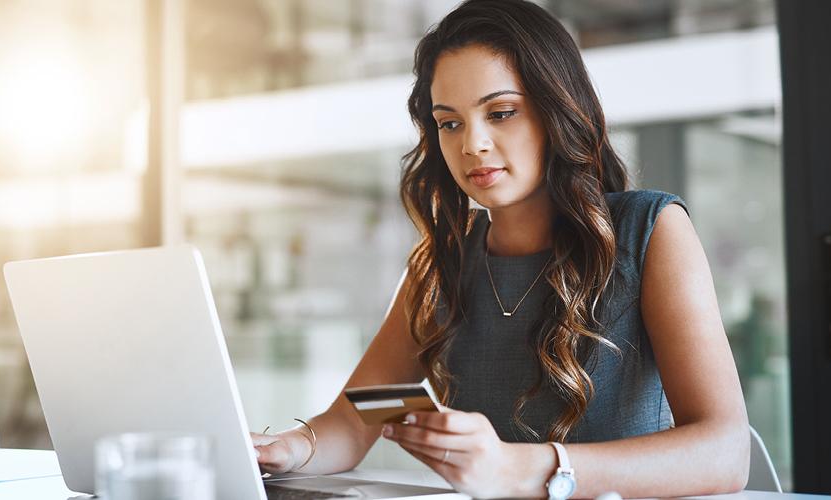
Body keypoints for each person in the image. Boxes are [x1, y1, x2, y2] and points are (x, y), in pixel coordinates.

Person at [250, 0, 750, 498]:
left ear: (556, 110)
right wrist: (291, 448)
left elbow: (724, 453)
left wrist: (521, 468)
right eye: (450, 123)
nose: (473, 144)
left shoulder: (650, 230)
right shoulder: (442, 263)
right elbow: (360, 415)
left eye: (501, 112)